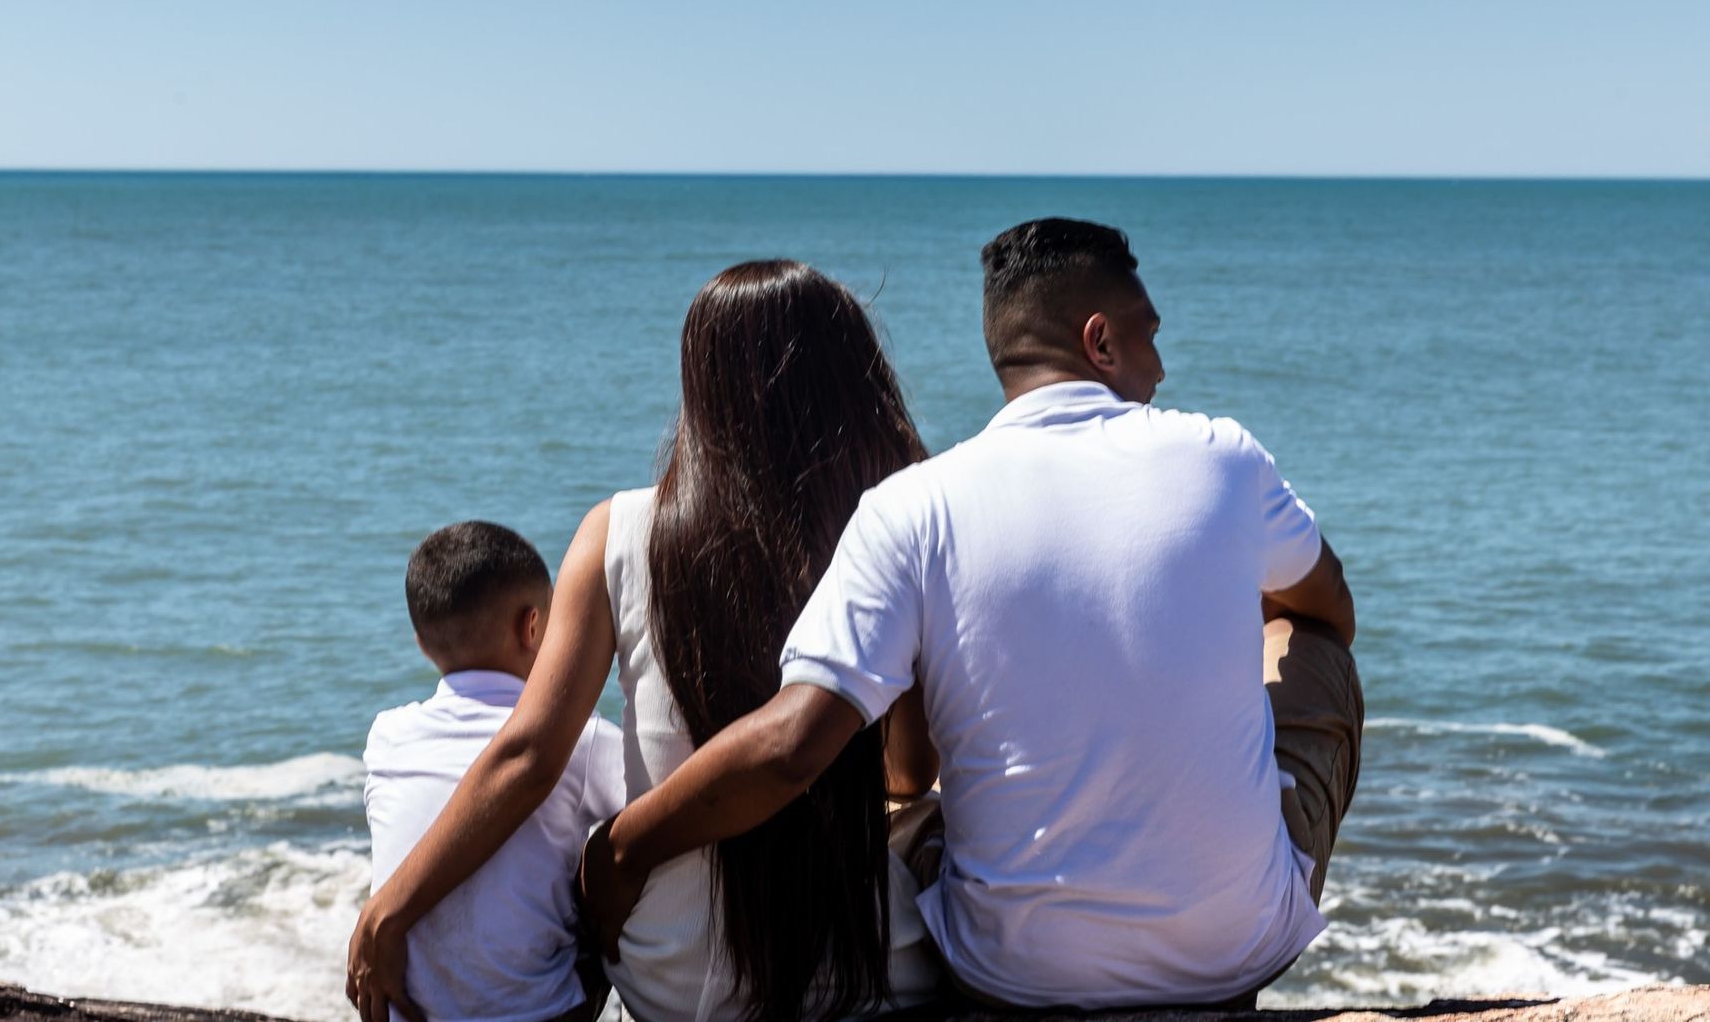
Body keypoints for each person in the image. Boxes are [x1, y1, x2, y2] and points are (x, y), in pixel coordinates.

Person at [582, 218, 1365, 1010]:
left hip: (1012, 976)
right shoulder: (1223, 454)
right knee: (1315, 646)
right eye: (1148, 336)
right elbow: (1329, 605)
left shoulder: (913, 506)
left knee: (905, 806)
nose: (1160, 367)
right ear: (1099, 341)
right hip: (1233, 950)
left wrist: (623, 848)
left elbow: (792, 746)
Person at [347, 261, 941, 1022]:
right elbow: (910, 766)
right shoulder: (891, 527)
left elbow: (527, 757)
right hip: (869, 969)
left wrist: (390, 909)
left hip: (672, 975)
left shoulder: (617, 530)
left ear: (702, 388)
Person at [362, 521, 624, 1022]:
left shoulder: (387, 736)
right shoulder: (585, 740)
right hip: (538, 1014)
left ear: (421, 642)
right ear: (534, 628)